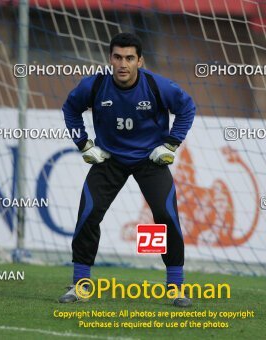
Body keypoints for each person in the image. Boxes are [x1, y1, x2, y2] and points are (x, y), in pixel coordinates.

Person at [59, 32, 196, 307]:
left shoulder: (157, 86)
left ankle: (176, 288)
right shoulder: (95, 86)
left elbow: (187, 108)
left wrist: (170, 145)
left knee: (166, 217)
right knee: (88, 214)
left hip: (150, 160)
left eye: (130, 58)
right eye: (118, 57)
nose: (123, 64)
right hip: (109, 159)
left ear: (140, 61)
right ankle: (80, 285)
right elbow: (70, 108)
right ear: (110, 59)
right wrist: (84, 145)